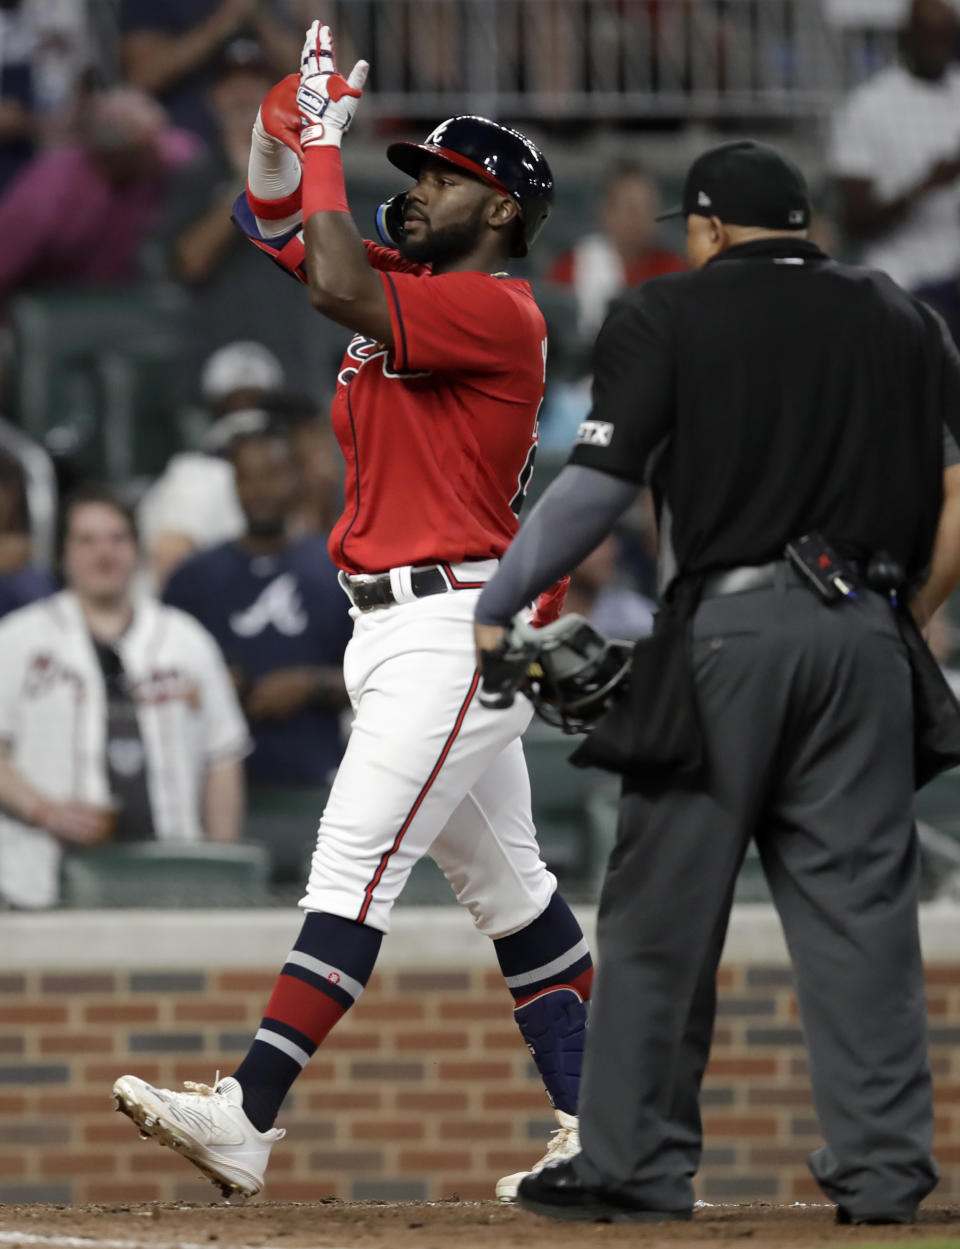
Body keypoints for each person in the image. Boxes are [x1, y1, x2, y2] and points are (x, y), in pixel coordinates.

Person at [112, 21, 592, 1204]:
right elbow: (274, 223)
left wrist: (327, 145)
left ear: (504, 210)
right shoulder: (409, 285)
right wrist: (286, 123)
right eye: (416, 174)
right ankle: (610, 1121)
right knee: (512, 890)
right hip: (388, 626)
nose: (418, 190)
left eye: (443, 177)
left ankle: (248, 1116)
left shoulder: (499, 308)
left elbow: (326, 272)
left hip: (457, 626)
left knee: (353, 858)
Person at [473, 140, 960, 1224]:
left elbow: (598, 489)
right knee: (865, 922)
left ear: (704, 228)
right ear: (805, 223)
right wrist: (902, 618)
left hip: (728, 637)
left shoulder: (668, 311)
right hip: (868, 634)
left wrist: (500, 602)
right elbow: (956, 485)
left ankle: (636, 1163)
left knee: (658, 911)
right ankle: (883, 1175)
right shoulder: (900, 317)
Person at [0, 487, 250, 910]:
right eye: (87, 540)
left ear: (136, 550)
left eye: (117, 539)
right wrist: (45, 810)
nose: (105, 553)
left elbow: (222, 756)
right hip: (40, 876)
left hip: (175, 874)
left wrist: (218, 866)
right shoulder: (18, 639)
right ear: (64, 553)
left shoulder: (186, 640)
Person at [164, 425, 351, 788]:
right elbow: (155, 675)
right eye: (247, 478)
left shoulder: (336, 571)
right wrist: (211, 684)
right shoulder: (193, 578)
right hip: (214, 782)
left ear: (296, 478)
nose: (259, 491)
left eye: (272, 475)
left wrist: (312, 685)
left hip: (318, 781)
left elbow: (385, 677)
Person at [0, 86, 196, 313]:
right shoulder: (47, 196)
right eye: (149, 149)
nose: (163, 152)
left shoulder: (161, 157)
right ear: (115, 155)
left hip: (124, 301)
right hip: (54, 311)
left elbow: (191, 154)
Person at [828, 0, 960, 292]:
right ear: (908, 36)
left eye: (948, 36)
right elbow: (855, 219)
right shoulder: (868, 106)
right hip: (902, 278)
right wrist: (927, 185)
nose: (940, 48)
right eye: (931, 36)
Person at [136, 341, 283, 590]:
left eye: (257, 402)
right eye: (235, 403)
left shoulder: (289, 474)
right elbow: (170, 571)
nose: (246, 417)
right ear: (214, 409)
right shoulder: (192, 476)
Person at [119, 0, 301, 144]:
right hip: (189, 142)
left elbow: (309, 74)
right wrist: (226, 18)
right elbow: (143, 75)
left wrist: (257, 16)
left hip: (276, 140)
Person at [545, 161, 686, 339]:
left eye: (648, 207)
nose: (641, 218)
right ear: (606, 211)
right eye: (632, 209)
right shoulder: (572, 267)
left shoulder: (673, 269)